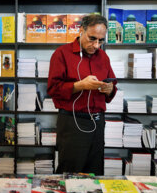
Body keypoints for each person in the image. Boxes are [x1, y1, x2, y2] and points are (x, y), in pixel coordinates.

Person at [47, 14, 117, 175]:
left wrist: (110, 89)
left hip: (98, 122)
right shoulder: (62, 54)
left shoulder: (103, 57)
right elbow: (53, 89)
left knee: (95, 171)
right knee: (71, 171)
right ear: (81, 30)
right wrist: (80, 85)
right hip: (73, 122)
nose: (96, 45)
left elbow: (112, 87)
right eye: (92, 38)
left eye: (101, 40)